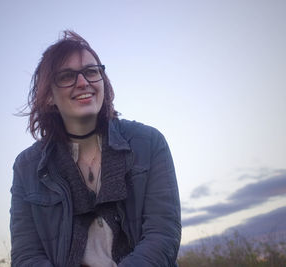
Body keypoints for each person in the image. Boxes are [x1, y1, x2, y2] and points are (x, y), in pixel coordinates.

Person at [10, 31, 181, 267]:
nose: (83, 83)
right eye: (67, 76)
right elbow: (26, 257)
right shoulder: (26, 167)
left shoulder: (149, 143)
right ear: (49, 95)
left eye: (91, 72)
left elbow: (163, 236)